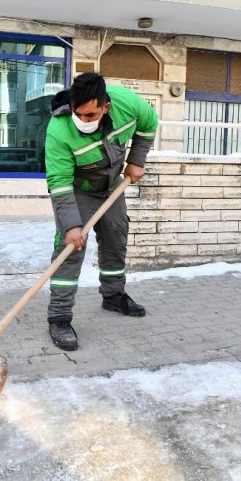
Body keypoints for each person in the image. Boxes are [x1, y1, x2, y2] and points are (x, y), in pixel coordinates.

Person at [44, 72, 158, 351]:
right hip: (78, 188)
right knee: (71, 248)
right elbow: (59, 183)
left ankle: (113, 295)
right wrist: (71, 226)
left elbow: (149, 124)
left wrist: (136, 161)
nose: (84, 121)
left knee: (116, 236)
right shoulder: (58, 131)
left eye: (91, 114)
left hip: (112, 186)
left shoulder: (129, 105)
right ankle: (59, 315)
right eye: (78, 114)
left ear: (106, 106)